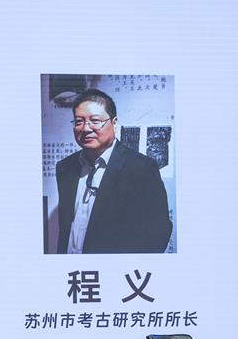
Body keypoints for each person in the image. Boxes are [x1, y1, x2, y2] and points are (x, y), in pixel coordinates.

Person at [56, 89, 173, 253]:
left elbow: (159, 231)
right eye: (79, 121)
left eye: (95, 121)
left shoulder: (142, 168)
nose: (86, 128)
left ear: (114, 122)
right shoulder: (65, 167)